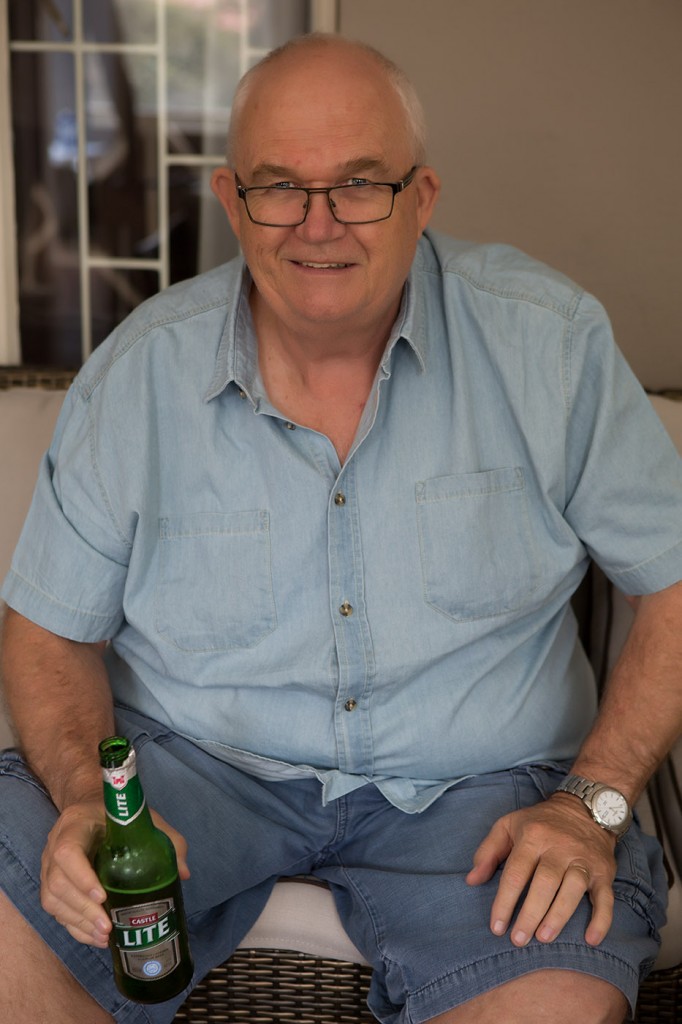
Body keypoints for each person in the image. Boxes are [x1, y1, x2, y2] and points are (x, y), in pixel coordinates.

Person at [1, 32, 681, 1024]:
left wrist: (597, 800)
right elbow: (50, 629)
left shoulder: (547, 341)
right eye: (279, 186)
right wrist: (77, 797)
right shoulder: (141, 370)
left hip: (485, 795)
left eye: (361, 182)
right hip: (187, 772)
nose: (317, 226)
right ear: (233, 200)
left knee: (556, 1005)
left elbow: (672, 578)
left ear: (423, 196)